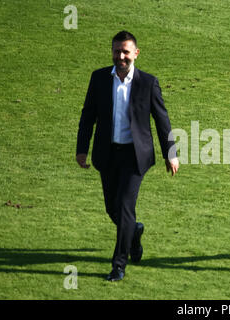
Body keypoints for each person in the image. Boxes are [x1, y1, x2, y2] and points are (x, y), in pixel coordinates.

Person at [76, 31, 179, 281]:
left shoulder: (148, 82)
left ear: (135, 53)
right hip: (108, 153)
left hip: (135, 157)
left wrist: (171, 154)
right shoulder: (99, 78)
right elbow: (88, 115)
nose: (120, 56)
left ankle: (118, 265)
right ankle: (134, 232)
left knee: (124, 207)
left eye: (125, 51)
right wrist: (81, 149)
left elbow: (162, 119)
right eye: (116, 51)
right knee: (113, 209)